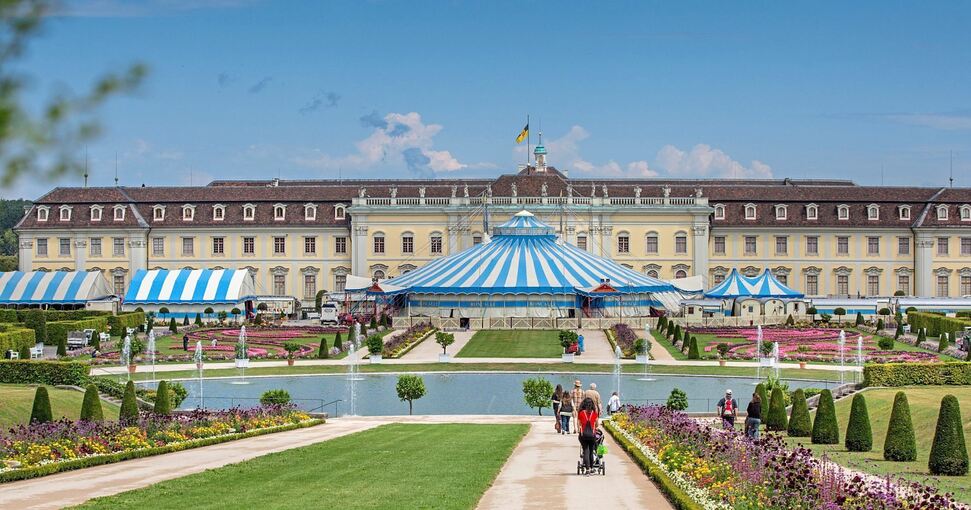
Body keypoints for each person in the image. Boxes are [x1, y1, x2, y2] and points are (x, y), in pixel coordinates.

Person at [577, 397, 600, 474]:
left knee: (585, 450)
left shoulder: (581, 413)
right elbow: (597, 425)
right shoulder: (594, 413)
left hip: (583, 435)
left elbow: (579, 424)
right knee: (591, 451)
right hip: (592, 435)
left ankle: (587, 469)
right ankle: (592, 467)